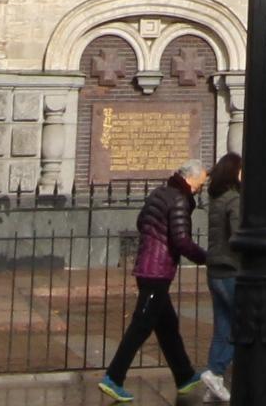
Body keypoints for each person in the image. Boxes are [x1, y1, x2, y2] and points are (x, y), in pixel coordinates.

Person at [97, 159, 210, 400]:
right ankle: (113, 377)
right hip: (156, 272)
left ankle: (185, 375)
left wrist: (155, 236)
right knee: (141, 325)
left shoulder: (160, 193)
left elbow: (142, 222)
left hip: (148, 266)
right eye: (200, 183)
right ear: (190, 178)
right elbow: (181, 240)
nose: (201, 189)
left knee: (167, 326)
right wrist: (205, 257)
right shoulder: (180, 200)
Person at [198, 152, 244, 403]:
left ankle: (212, 386)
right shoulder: (234, 200)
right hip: (231, 270)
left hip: (214, 269)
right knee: (243, 325)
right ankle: (215, 372)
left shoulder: (216, 199)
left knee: (222, 326)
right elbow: (238, 235)